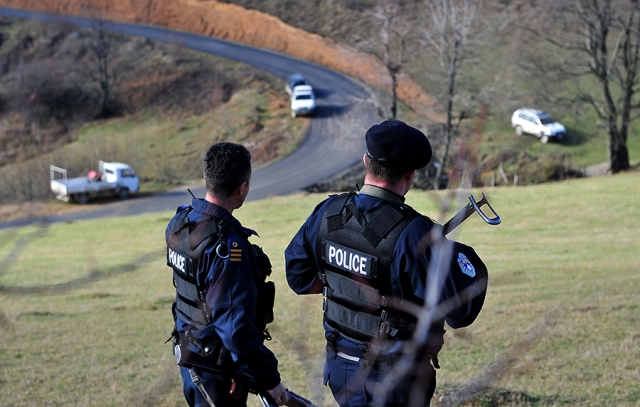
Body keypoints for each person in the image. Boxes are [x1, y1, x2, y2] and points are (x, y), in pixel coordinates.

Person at [284, 120, 488, 406]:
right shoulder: (415, 235)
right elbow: (462, 311)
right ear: (411, 174)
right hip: (389, 380)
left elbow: (299, 279)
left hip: (339, 369)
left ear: (365, 160)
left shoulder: (327, 213)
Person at [166, 142, 289, 407]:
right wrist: (269, 378)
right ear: (242, 187)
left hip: (190, 359)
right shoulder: (228, 248)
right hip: (215, 373)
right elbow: (235, 330)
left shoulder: (179, 224)